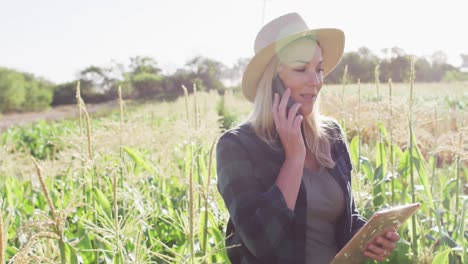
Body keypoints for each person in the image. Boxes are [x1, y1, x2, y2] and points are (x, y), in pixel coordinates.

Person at [216, 12, 400, 264]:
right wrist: (294, 159)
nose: (316, 81)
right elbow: (261, 243)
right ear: (272, 81)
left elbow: (345, 218)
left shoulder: (330, 135)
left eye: (319, 69)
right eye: (301, 69)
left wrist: (368, 236)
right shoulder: (236, 147)